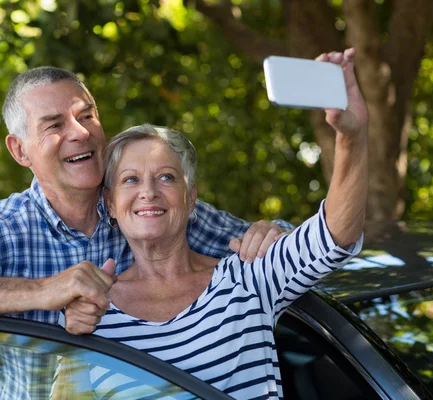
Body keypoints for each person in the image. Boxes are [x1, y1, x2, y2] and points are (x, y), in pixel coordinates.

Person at [59, 48, 368, 400]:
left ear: (191, 198)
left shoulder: (246, 278)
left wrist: (352, 138)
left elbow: (334, 235)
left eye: (165, 177)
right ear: (111, 205)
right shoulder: (93, 313)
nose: (148, 192)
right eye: (130, 180)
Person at [0, 66, 291, 327]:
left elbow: (287, 251)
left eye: (86, 115)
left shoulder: (142, 204)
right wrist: (44, 291)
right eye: (54, 125)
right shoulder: (6, 230)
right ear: (20, 151)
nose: (80, 133)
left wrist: (267, 233)